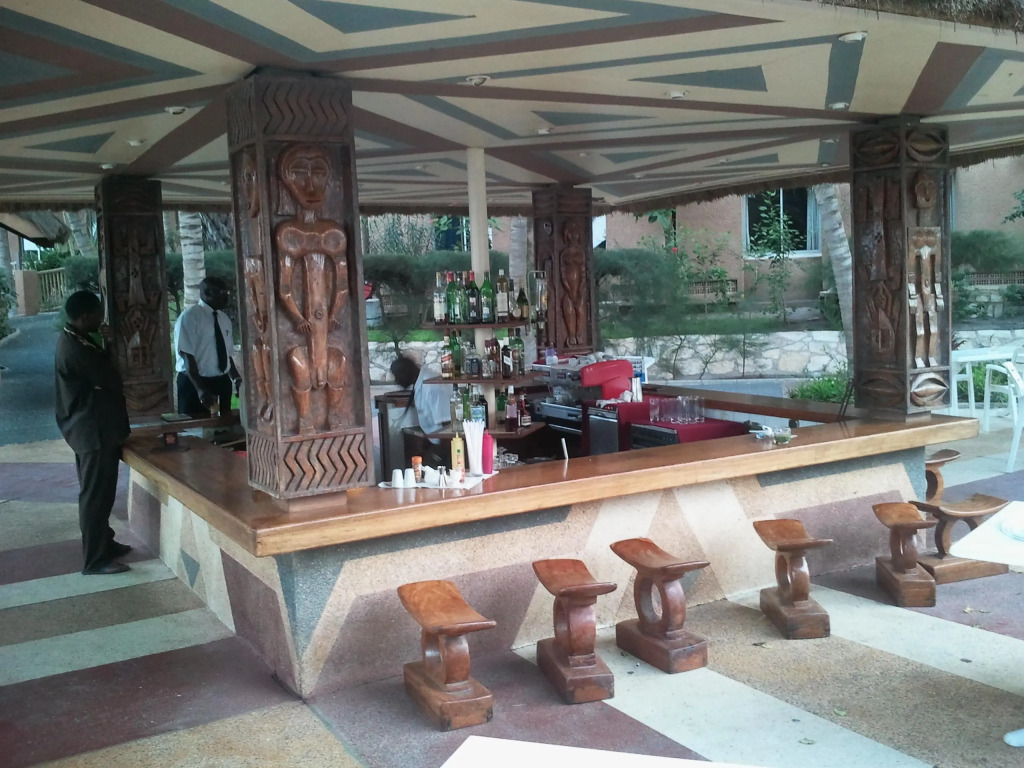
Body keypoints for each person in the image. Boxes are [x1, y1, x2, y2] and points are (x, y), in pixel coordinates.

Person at [55, 290, 132, 575]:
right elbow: (109, 377)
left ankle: (105, 543)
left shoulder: (76, 338)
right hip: (92, 431)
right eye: (98, 313)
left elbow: (99, 369)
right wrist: (112, 346)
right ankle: (95, 560)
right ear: (85, 316)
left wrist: (106, 344)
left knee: (102, 492)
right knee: (95, 496)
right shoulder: (74, 347)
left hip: (95, 428)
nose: (102, 318)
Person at [173, 277, 241, 417]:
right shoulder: (190, 317)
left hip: (221, 382)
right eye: (222, 292)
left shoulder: (224, 319)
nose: (226, 296)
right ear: (207, 293)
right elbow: (187, 356)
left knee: (223, 425)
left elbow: (227, 355)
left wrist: (237, 379)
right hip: (195, 383)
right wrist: (200, 389)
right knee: (195, 426)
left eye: (227, 292)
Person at [390, 353, 452, 466]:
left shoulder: (431, 385)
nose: (396, 381)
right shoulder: (419, 382)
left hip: (446, 446)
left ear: (405, 373)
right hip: (434, 442)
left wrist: (439, 455)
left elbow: (447, 423)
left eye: (397, 376)